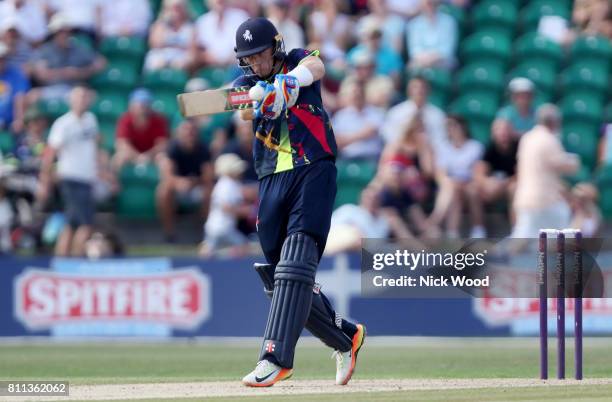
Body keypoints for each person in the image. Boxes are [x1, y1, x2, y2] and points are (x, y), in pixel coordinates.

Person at [232, 17, 365, 387]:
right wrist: (261, 95)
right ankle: (346, 336)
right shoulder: (245, 82)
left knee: (295, 263)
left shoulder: (296, 59)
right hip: (271, 178)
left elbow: (317, 66)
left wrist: (290, 82)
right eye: (249, 59)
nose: (256, 64)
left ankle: (274, 358)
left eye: (260, 56)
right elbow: (240, 106)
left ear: (274, 47)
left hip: (313, 168)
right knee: (281, 277)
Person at [37, 86, 98, 256]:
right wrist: (45, 180)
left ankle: (61, 261)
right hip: (71, 177)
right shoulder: (63, 124)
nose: (82, 100)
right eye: (79, 97)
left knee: (71, 224)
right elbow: (50, 153)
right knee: (85, 225)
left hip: (87, 178)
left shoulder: (91, 120)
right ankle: (76, 263)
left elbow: (94, 147)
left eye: (85, 96)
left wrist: (101, 171)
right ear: (71, 100)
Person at [511, 104, 579, 238]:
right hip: (544, 201)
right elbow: (563, 165)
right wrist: (575, 161)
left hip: (525, 198)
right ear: (553, 122)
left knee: (521, 239)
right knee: (564, 235)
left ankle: (491, 253)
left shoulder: (527, 138)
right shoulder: (549, 139)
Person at [156, 119, 213, 242]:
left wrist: (194, 182)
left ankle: (207, 234)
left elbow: (208, 177)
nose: (189, 133)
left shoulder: (203, 148)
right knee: (163, 191)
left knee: (209, 192)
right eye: (186, 130)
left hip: (197, 187)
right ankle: (169, 233)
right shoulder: (172, 148)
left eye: (192, 131)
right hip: (177, 188)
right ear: (179, 132)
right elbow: (166, 175)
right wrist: (180, 182)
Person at [429, 115, 484, 238]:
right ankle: (452, 233)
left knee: (472, 191)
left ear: (463, 127)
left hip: (470, 184)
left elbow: (477, 172)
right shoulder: (443, 147)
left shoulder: (475, 146)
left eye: (454, 125)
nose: (451, 129)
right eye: (449, 127)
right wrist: (449, 183)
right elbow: (440, 174)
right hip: (451, 186)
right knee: (453, 190)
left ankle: (478, 229)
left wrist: (460, 182)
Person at [30, 13, 106, 102]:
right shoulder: (45, 50)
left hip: (74, 90)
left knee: (91, 96)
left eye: (66, 32)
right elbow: (42, 75)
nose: (64, 35)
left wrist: (80, 72)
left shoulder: (79, 48)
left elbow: (101, 63)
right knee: (32, 96)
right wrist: (64, 73)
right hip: (52, 89)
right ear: (55, 33)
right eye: (61, 32)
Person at [468, 118, 518, 237]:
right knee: (472, 189)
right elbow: (478, 171)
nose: (503, 133)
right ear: (493, 132)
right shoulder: (489, 147)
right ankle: (478, 230)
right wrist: (486, 182)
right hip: (494, 187)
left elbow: (523, 173)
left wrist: (504, 183)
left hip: (512, 185)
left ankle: (516, 231)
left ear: (511, 131)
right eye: (499, 130)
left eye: (506, 130)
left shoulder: (518, 146)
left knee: (515, 188)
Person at [201, 153, 250, 257]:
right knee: (244, 246)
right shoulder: (226, 184)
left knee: (209, 250)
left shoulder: (230, 183)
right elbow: (225, 207)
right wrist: (246, 211)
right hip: (222, 228)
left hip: (214, 226)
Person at [381, 76, 447, 148]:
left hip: (428, 151)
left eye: (422, 87)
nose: (419, 91)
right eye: (415, 87)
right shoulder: (396, 112)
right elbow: (387, 134)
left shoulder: (437, 114)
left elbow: (441, 139)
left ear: (428, 90)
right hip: (402, 150)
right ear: (408, 90)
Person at [113, 88, 169, 171]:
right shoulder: (125, 119)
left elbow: (162, 145)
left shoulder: (159, 120)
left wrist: (147, 156)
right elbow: (122, 144)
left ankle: (165, 184)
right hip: (132, 155)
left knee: (164, 160)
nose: (143, 108)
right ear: (131, 105)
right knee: (119, 157)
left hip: (152, 155)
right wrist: (137, 156)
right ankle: (114, 183)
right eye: (140, 104)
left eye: (146, 104)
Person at [332, 78, 384, 161]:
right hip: (347, 159)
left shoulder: (376, 113)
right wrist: (362, 134)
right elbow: (336, 142)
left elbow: (373, 131)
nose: (357, 95)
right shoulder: (341, 116)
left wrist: (345, 139)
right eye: (354, 92)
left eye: (360, 92)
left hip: (371, 159)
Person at [191, 0, 249, 68]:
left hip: (238, 67)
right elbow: (197, 52)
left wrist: (228, 60)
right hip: (211, 69)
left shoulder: (241, 16)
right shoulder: (202, 22)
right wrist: (206, 57)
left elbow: (247, 46)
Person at [144, 0, 194, 71]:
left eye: (177, 8)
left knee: (183, 63)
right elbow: (155, 44)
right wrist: (164, 22)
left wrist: (170, 45)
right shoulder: (160, 25)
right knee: (155, 62)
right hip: (161, 56)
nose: (174, 12)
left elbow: (192, 49)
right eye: (171, 8)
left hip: (181, 57)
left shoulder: (190, 27)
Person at [407, 0, 458, 70]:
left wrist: (432, 59)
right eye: (427, 3)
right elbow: (414, 50)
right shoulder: (414, 24)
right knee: (413, 67)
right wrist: (426, 60)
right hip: (421, 62)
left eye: (431, 2)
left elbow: (447, 50)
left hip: (443, 61)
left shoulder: (449, 22)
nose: (430, 5)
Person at [0, 42, 29, 132]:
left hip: (8, 124)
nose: (1, 62)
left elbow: (19, 97)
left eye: (2, 59)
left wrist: (19, 120)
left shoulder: (16, 75)